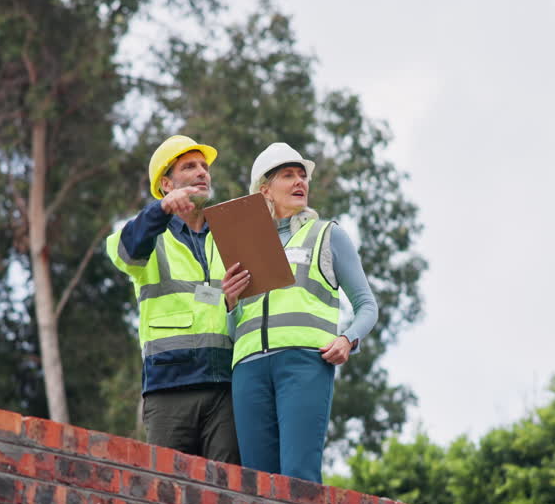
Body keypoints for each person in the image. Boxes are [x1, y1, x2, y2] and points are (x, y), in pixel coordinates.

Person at [221, 142, 378, 482]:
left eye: (302, 176)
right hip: (248, 370)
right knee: (255, 484)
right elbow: (234, 330)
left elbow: (367, 305)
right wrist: (230, 303)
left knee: (298, 478)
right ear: (265, 189)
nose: (300, 182)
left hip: (304, 365)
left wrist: (347, 340)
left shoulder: (327, 235)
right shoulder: (241, 246)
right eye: (288, 175)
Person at [106, 135, 239, 464]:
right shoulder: (150, 236)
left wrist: (234, 304)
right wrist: (161, 210)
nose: (202, 173)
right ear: (166, 183)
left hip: (225, 387)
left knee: (227, 495)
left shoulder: (229, 236)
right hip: (169, 390)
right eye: (189, 166)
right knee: (169, 496)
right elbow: (124, 250)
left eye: (205, 167)